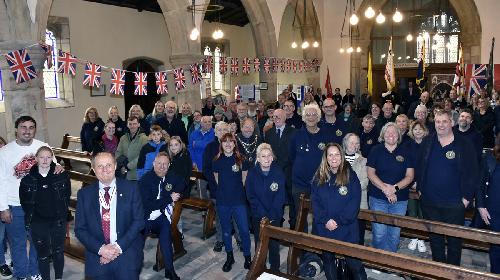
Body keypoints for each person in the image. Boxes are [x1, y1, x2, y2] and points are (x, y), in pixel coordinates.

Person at [0, 116, 64, 280]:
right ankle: (21, 275)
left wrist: (58, 167)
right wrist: (3, 208)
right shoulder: (5, 151)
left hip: (39, 205)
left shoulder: (42, 146)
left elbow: (54, 167)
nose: (27, 131)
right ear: (16, 129)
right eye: (23, 127)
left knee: (38, 242)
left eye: (31, 127)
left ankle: (35, 272)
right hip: (15, 205)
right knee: (18, 244)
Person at [416, 110, 479, 265]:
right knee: (435, 240)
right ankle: (439, 272)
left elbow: (473, 172)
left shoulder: (464, 144)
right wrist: (421, 190)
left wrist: (466, 199)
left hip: (455, 204)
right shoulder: (428, 142)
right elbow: (420, 165)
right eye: (438, 122)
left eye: (445, 121)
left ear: (452, 123)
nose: (441, 125)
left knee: (454, 242)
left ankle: (452, 273)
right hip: (430, 202)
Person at [75, 152, 145, 280]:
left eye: (108, 165)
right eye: (100, 166)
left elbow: (139, 221)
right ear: (94, 169)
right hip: (98, 253)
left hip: (126, 249)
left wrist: (117, 248)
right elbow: (80, 229)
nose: (105, 169)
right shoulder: (84, 194)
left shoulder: (131, 188)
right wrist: (101, 249)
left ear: (115, 166)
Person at [311, 143, 367, 280]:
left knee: (355, 265)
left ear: (342, 157)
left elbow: (354, 202)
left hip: (346, 228)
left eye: (337, 154)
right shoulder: (319, 176)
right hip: (326, 228)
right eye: (330, 154)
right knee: (329, 262)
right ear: (326, 157)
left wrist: (338, 221)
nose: (333, 157)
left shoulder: (350, 176)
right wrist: (326, 221)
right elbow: (315, 202)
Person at [19, 146, 71, 280]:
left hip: (57, 220)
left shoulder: (62, 176)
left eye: (48, 157)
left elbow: (67, 196)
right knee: (43, 255)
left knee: (58, 252)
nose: (45, 160)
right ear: (36, 159)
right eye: (42, 157)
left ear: (52, 158)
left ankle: (58, 278)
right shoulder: (27, 180)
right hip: (38, 222)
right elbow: (24, 201)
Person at [367, 122, 414, 253]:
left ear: (398, 135)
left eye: (394, 132)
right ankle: (378, 261)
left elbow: (410, 176)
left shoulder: (406, 151)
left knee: (394, 233)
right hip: (378, 197)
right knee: (379, 232)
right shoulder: (376, 150)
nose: (391, 135)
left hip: (400, 199)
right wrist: (385, 188)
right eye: (388, 132)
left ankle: (390, 263)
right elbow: (370, 173)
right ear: (383, 135)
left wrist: (395, 188)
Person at [138, 152, 185, 280]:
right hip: (145, 217)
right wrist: (168, 198)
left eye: (165, 164)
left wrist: (176, 192)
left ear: (169, 165)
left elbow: (182, 183)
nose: (162, 167)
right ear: (154, 164)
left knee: (166, 237)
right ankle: (131, 269)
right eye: (159, 163)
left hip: (160, 217)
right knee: (137, 244)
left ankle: (169, 270)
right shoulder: (145, 180)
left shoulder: (171, 176)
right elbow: (148, 205)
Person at [289, 104, 334, 232]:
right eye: (308, 115)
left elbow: (330, 157)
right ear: (303, 118)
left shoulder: (326, 135)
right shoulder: (296, 136)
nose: (311, 117)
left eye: (314, 114)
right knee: (301, 218)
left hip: (321, 183)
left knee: (320, 216)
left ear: (319, 117)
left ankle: (317, 246)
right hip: (299, 184)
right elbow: (292, 157)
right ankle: (302, 250)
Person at [213, 133, 252, 272]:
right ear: (221, 144)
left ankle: (247, 256)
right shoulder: (217, 160)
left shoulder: (241, 159)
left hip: (238, 201)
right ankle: (230, 256)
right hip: (223, 201)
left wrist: (235, 193)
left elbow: (244, 180)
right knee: (226, 231)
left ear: (235, 144)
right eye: (225, 142)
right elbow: (218, 180)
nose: (228, 144)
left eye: (231, 141)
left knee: (244, 230)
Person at [245, 143, 285, 273]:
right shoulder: (252, 173)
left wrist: (272, 215)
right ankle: (260, 268)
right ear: (258, 158)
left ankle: (275, 270)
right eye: (263, 156)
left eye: (269, 156)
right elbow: (250, 195)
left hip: (275, 216)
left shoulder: (278, 172)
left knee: (274, 245)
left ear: (272, 157)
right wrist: (262, 214)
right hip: (258, 216)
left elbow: (280, 196)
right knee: (260, 243)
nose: (266, 159)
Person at [202, 122, 237, 252]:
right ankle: (220, 239)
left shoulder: (233, 146)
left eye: (225, 129)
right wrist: (217, 182)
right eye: (219, 130)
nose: (222, 132)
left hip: (233, 189)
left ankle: (238, 239)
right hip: (217, 188)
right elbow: (206, 169)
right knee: (220, 216)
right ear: (215, 132)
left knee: (235, 216)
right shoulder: (210, 147)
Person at [264, 109, 297, 228]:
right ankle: (277, 223)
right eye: (274, 116)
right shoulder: (269, 133)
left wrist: (283, 164)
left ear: (285, 118)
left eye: (279, 116)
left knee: (292, 201)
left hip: (289, 172)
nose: (276, 118)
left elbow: (294, 153)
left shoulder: (294, 132)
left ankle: (293, 226)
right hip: (274, 172)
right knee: (276, 200)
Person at [476, 136, 500, 274]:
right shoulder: (490, 157)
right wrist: (480, 206)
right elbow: (479, 184)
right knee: (496, 247)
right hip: (494, 211)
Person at [406, 120, 429, 253]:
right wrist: (412, 181)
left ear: (424, 130)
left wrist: (419, 183)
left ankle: (422, 239)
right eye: (415, 129)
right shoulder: (408, 146)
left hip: (425, 184)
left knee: (423, 213)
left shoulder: (429, 145)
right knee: (413, 212)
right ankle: (414, 237)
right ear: (412, 131)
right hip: (410, 184)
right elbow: (407, 166)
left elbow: (428, 167)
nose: (418, 131)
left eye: (420, 129)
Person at [342, 133, 368, 245]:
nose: (354, 145)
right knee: (342, 234)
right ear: (345, 143)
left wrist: (347, 189)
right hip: (340, 203)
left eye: (357, 143)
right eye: (351, 142)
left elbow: (365, 182)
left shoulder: (363, 161)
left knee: (358, 234)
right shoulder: (337, 158)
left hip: (359, 202)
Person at [115, 116, 149, 180]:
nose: (132, 126)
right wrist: (121, 166)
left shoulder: (144, 139)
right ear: (127, 125)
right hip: (123, 173)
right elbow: (118, 153)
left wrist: (128, 166)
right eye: (130, 124)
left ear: (138, 124)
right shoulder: (123, 138)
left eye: (134, 124)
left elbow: (142, 156)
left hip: (137, 174)